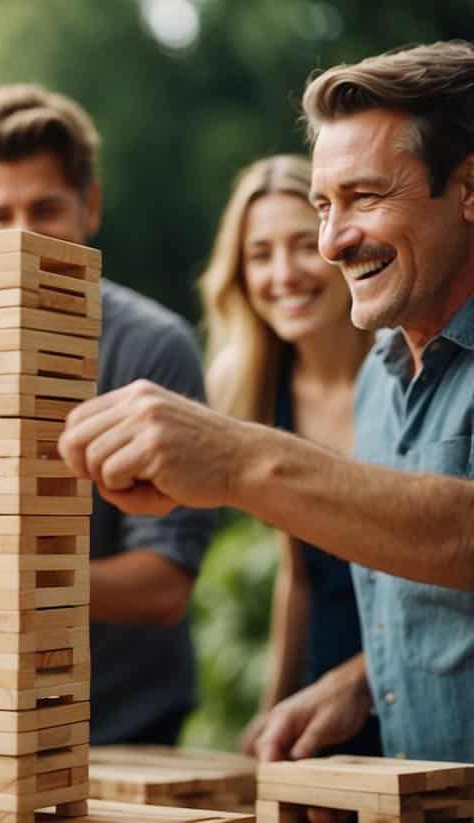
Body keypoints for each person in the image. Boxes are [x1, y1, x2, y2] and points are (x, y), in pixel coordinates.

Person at [58, 40, 474, 762]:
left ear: (468, 188)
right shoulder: (382, 374)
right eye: (324, 204)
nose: (334, 240)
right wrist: (360, 682)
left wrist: (238, 457)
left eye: (366, 197)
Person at [0, 84, 215, 745]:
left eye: (45, 208)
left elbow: (163, 583)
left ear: (89, 205)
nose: (22, 234)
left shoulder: (154, 346)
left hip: (125, 721)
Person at [199, 154, 380, 756]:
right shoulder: (250, 386)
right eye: (259, 254)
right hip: (323, 694)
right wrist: (271, 713)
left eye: (303, 245)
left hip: (422, 681)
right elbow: (298, 575)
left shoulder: (410, 371)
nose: (283, 274)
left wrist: (359, 681)